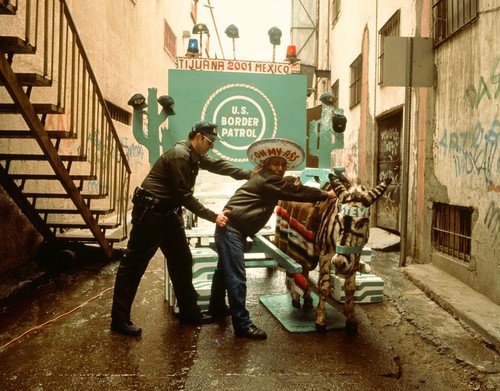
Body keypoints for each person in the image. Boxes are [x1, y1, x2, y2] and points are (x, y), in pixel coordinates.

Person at [111, 121, 252, 337]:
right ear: (197, 137)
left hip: (168, 215)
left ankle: (190, 312)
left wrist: (247, 174)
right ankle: (119, 321)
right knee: (133, 266)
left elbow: (218, 165)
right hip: (151, 215)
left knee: (182, 262)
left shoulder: (193, 154)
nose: (212, 146)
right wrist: (213, 216)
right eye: (210, 141)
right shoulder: (180, 156)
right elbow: (184, 196)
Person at [207, 138, 336, 340]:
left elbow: (290, 186)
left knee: (224, 270)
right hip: (232, 229)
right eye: (275, 163)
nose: (280, 168)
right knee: (236, 277)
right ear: (266, 165)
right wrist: (325, 194)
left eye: (283, 165)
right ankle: (242, 325)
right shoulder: (268, 179)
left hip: (232, 228)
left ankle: (216, 308)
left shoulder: (269, 179)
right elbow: (295, 191)